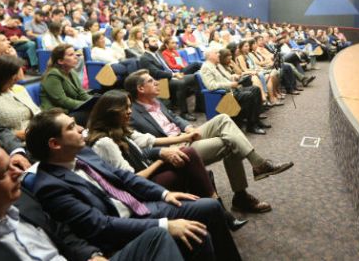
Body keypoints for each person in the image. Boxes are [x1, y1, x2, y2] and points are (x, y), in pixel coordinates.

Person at [24, 109, 242, 259]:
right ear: (54, 143)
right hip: (120, 229)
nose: (81, 128)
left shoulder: (83, 153)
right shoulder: (50, 186)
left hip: (141, 208)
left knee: (210, 207)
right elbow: (101, 225)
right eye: (71, 127)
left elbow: (125, 177)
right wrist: (165, 225)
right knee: (198, 235)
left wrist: (164, 194)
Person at [0, 139, 185, 261]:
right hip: (117, 220)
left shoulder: (23, 201)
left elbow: (60, 230)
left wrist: (90, 255)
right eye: (3, 173)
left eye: (12, 165)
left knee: (158, 236)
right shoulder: (48, 185)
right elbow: (98, 224)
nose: (18, 173)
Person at [125, 69, 293, 214]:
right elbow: (143, 146)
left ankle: (258, 164)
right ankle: (242, 195)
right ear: (140, 88)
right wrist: (182, 138)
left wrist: (189, 127)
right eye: (150, 81)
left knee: (223, 119)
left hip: (186, 136)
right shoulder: (131, 115)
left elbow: (175, 117)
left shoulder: (157, 101)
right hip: (174, 149)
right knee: (231, 143)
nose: (156, 82)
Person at [85, 90, 247, 231]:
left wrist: (180, 141)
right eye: (124, 108)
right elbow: (132, 180)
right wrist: (162, 159)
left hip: (147, 170)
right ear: (110, 111)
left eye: (129, 107)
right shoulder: (104, 142)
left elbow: (148, 140)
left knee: (186, 154)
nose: (129, 111)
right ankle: (219, 210)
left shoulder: (120, 128)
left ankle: (217, 210)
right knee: (189, 161)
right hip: (137, 190)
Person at [139, 36, 200, 121]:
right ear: (146, 45)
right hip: (160, 80)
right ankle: (184, 113)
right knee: (181, 83)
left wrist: (179, 70)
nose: (156, 42)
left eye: (156, 41)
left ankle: (199, 106)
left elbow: (178, 63)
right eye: (153, 41)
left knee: (195, 77)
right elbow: (156, 73)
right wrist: (173, 74)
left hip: (173, 73)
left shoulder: (161, 53)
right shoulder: (145, 58)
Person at [0, 55, 41, 140]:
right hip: (13, 142)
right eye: (16, 73)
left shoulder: (19, 88)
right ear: (4, 75)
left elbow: (36, 111)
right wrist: (15, 134)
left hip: (36, 135)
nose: (18, 77)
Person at [40, 44, 92, 111]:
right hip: (57, 114)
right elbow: (63, 101)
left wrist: (95, 102)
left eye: (75, 53)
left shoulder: (72, 72)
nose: (76, 57)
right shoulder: (52, 75)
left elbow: (81, 94)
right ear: (60, 61)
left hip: (71, 109)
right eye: (71, 55)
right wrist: (87, 105)